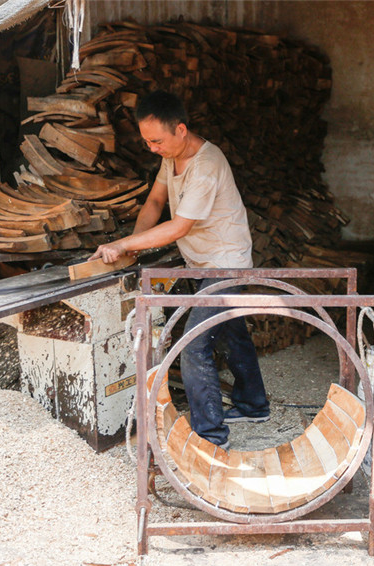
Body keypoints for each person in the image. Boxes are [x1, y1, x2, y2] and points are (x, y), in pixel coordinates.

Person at [89, 91, 269, 451]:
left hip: (225, 265)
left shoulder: (206, 164)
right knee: (233, 332)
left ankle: (210, 437)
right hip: (203, 261)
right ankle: (254, 405)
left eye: (157, 141)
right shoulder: (171, 158)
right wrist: (135, 242)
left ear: (181, 129)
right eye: (146, 142)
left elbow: (179, 226)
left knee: (192, 346)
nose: (152, 148)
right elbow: (156, 200)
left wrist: (124, 245)